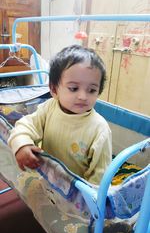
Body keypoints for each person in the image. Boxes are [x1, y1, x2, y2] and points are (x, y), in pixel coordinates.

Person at [8, 44, 112, 185]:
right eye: (73, 88)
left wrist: (87, 201)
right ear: (54, 89)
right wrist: (21, 144)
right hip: (48, 178)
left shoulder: (100, 129)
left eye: (92, 90)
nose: (83, 96)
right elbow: (25, 125)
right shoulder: (48, 108)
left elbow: (101, 175)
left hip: (77, 196)